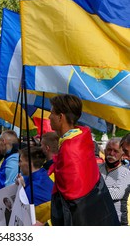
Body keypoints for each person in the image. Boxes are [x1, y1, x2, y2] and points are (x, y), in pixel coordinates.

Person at [48, 94, 119, 225]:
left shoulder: (71, 148)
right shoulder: (78, 140)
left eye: (51, 113)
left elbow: (73, 202)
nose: (49, 117)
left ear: (60, 117)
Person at [17, 146, 54, 224]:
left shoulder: (31, 190)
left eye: (20, 161)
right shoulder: (45, 174)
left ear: (29, 163)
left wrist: (20, 189)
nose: (18, 164)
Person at [99, 138, 130, 225]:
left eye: (115, 151)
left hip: (116, 221)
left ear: (122, 154)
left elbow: (115, 194)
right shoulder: (95, 168)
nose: (111, 153)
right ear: (104, 151)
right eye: (109, 150)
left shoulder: (127, 173)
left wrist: (92, 191)